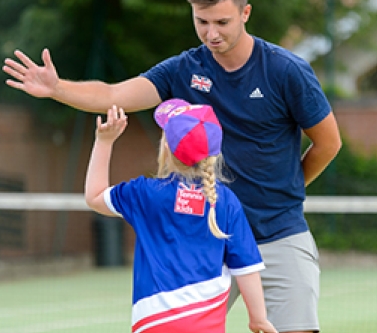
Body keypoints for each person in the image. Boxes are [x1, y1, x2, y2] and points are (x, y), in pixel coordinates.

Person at [3, 0, 342, 331]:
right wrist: (57, 88)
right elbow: (115, 96)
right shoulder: (184, 69)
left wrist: (289, 189)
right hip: (204, 242)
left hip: (279, 235)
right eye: (202, 21)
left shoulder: (286, 71)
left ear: (245, 13)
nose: (212, 33)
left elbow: (328, 143)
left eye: (222, 22)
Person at [85, 100, 278, 333]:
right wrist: (258, 319)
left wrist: (104, 142)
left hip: (153, 322)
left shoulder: (146, 193)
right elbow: (246, 268)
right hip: (208, 325)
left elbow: (94, 196)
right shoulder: (225, 201)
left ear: (166, 146)